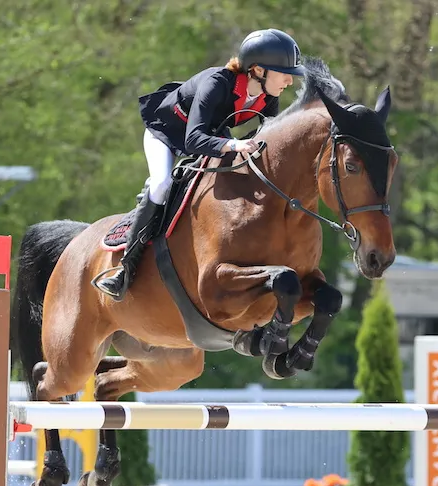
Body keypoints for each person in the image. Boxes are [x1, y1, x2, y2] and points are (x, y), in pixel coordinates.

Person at [96, 28, 306, 301]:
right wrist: (232, 145)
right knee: (162, 184)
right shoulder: (217, 82)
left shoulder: (268, 97)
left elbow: (267, 139)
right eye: (283, 73)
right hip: (168, 136)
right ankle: (125, 269)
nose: (289, 81)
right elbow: (193, 139)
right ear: (257, 70)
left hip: (211, 136)